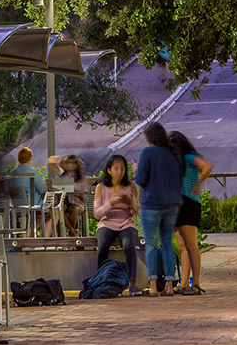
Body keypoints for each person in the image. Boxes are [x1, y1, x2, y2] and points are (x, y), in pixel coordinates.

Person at [135, 122, 184, 296]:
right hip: (172, 204)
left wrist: (136, 170)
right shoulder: (173, 152)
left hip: (151, 204)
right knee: (167, 244)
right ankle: (170, 285)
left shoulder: (147, 152)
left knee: (150, 243)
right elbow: (180, 176)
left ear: (149, 138)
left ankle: (154, 286)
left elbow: (140, 179)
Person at [169, 132, 213, 295]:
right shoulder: (178, 160)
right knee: (182, 246)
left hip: (189, 202)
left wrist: (198, 183)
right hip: (178, 203)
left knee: (191, 245)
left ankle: (196, 283)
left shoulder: (188, 156)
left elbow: (207, 166)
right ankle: (184, 282)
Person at [92, 154, 140, 293]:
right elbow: (97, 214)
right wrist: (111, 203)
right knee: (103, 246)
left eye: (122, 169)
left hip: (126, 222)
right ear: (109, 170)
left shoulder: (130, 186)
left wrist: (130, 202)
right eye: (116, 168)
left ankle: (132, 282)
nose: (119, 172)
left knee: (129, 245)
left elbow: (137, 211)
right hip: (107, 222)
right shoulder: (101, 187)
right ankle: (101, 280)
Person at [45, 154, 88, 235]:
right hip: (63, 201)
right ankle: (72, 231)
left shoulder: (81, 178)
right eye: (67, 163)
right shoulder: (62, 175)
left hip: (76, 202)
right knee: (60, 209)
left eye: (71, 163)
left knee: (73, 209)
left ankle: (72, 231)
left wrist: (76, 193)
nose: (69, 165)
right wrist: (61, 158)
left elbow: (85, 195)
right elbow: (51, 162)